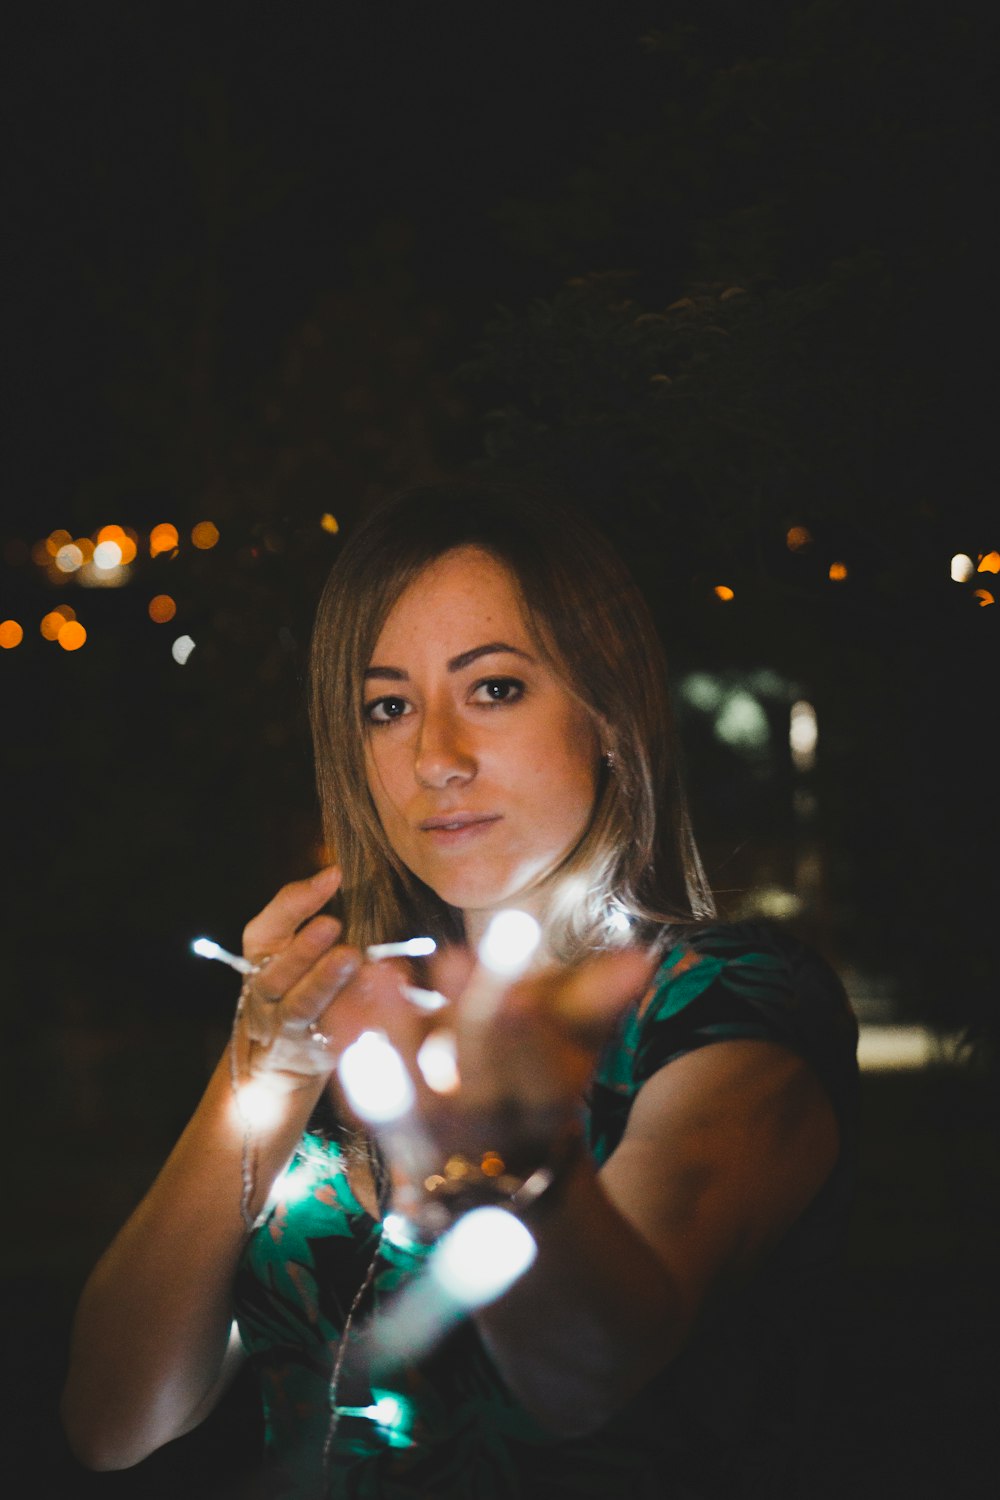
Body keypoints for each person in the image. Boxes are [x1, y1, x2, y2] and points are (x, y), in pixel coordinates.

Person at [61, 482, 859, 1498]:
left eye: (493, 689)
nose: (435, 757)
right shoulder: (351, 1034)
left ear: (607, 713)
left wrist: (499, 1160)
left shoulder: (727, 1009)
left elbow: (585, 1375)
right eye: (387, 707)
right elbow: (110, 1422)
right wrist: (257, 1073)